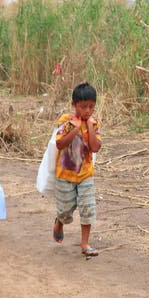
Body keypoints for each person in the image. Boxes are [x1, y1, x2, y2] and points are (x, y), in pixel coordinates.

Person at [51, 82, 102, 257]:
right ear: (74, 105)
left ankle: (85, 243)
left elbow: (95, 148)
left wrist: (88, 127)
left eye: (91, 107)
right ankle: (59, 221)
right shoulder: (66, 121)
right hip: (65, 173)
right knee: (66, 209)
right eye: (83, 107)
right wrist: (76, 127)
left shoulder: (94, 124)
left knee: (87, 208)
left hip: (85, 173)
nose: (87, 111)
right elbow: (60, 143)